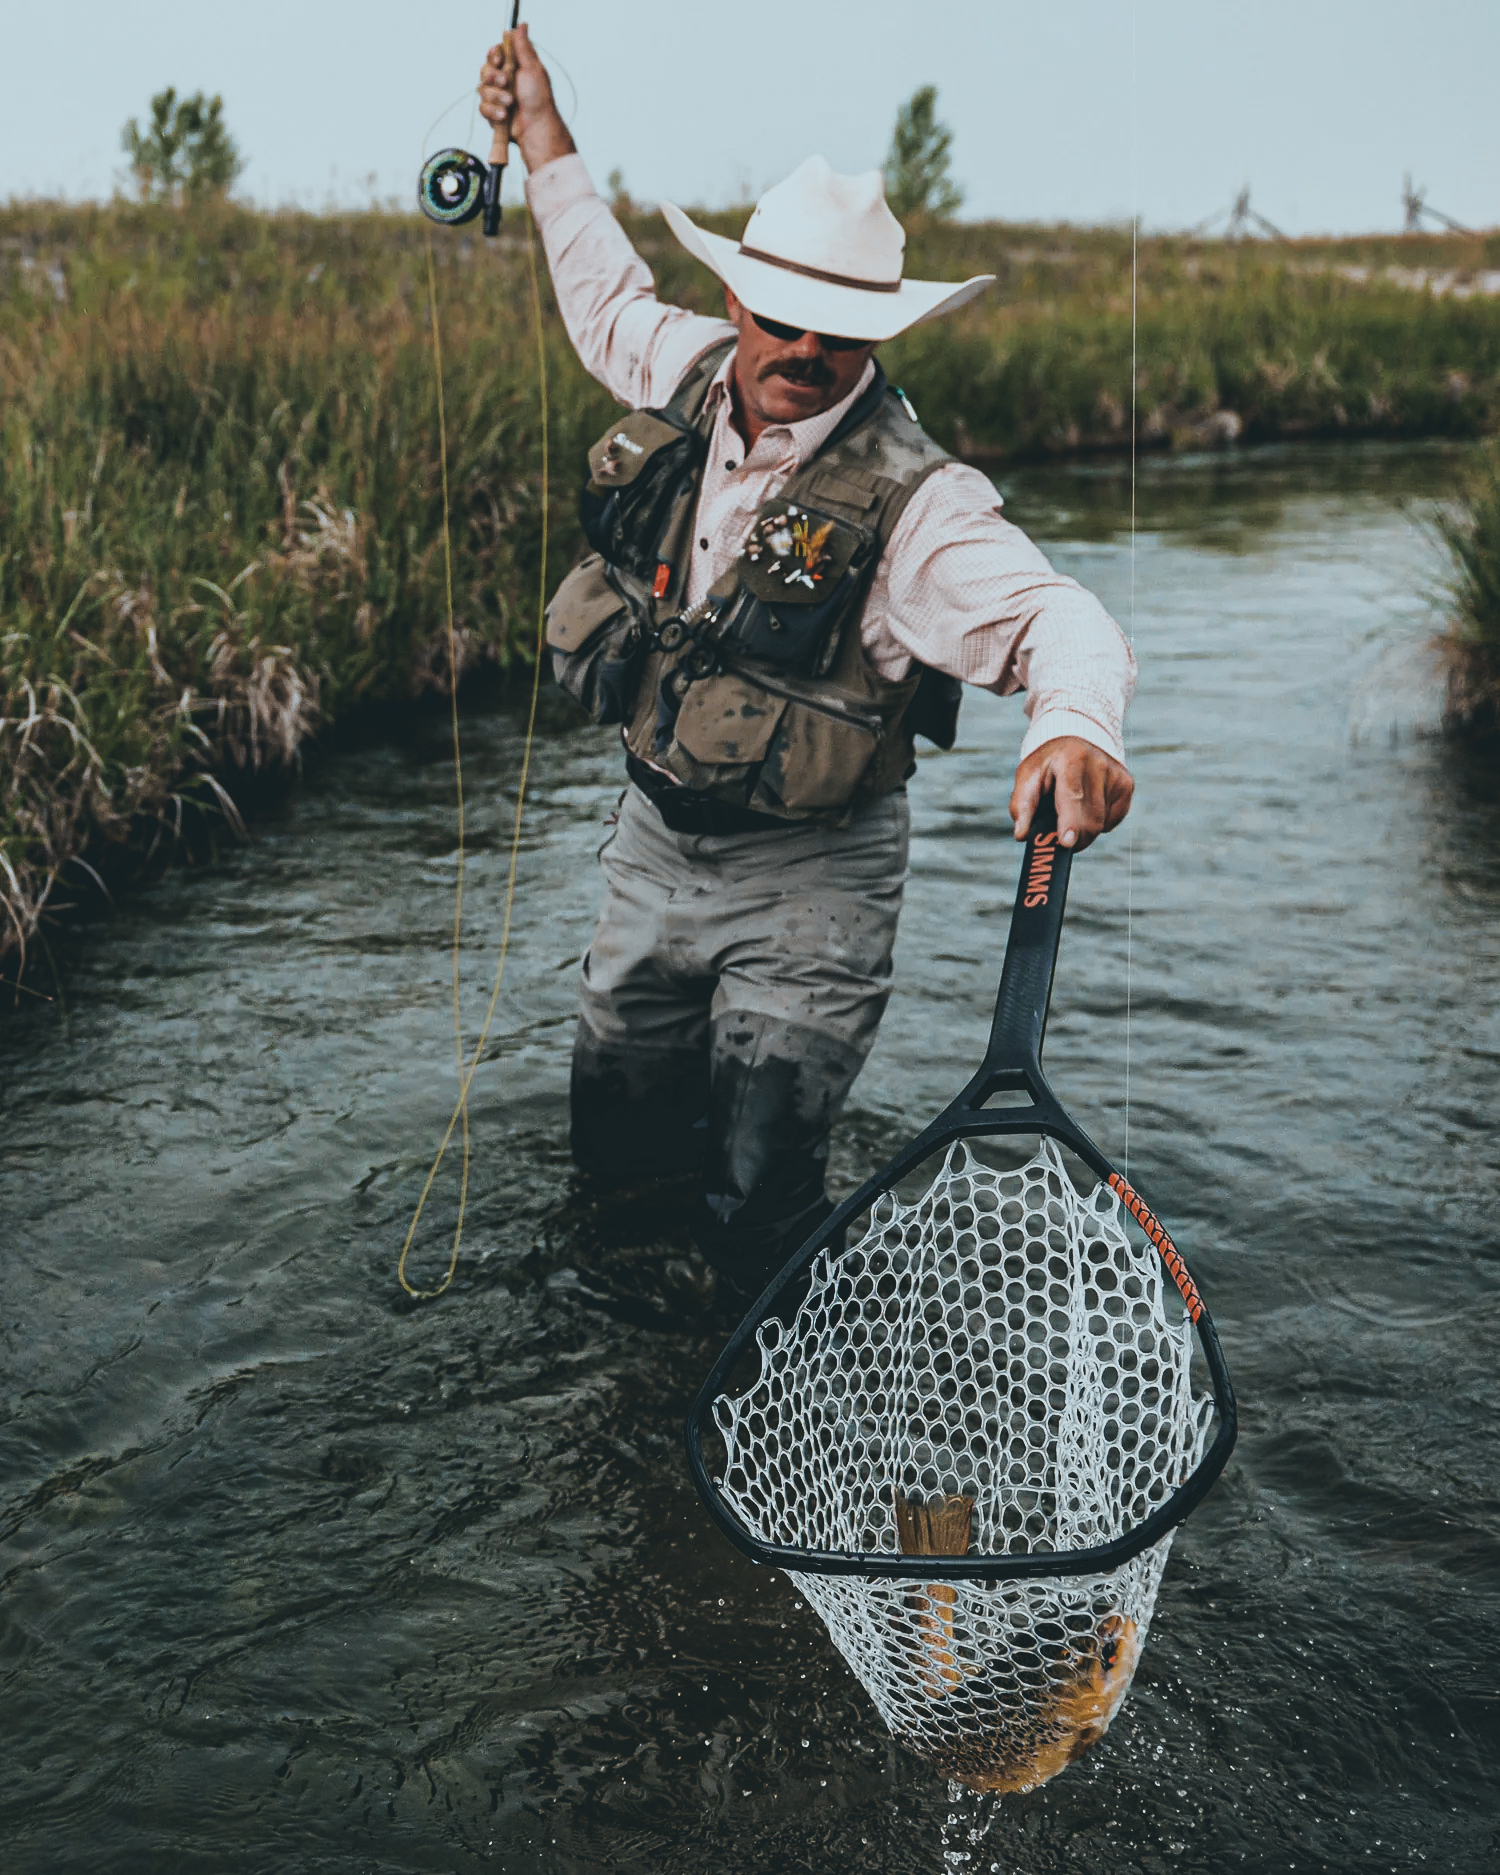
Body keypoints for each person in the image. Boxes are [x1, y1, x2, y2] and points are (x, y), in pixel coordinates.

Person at [479, 29, 1136, 1299]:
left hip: (815, 882)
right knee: (615, 1171)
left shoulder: (924, 505)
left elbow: (1063, 619)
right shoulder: (684, 367)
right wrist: (543, 135)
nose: (808, 353)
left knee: (756, 1195)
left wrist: (1077, 726)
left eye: (844, 332)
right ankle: (622, 1409)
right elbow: (597, 284)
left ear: (877, 336)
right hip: (649, 850)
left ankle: (753, 1392)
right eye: (784, 319)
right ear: (735, 302)